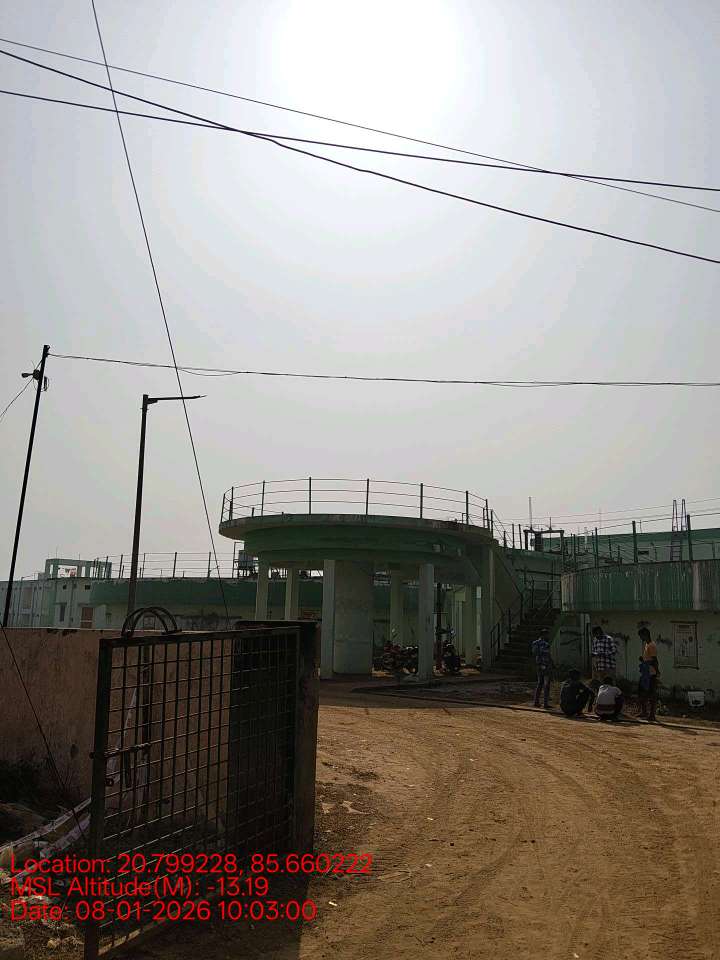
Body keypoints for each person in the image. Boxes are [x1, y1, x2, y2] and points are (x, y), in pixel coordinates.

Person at [638, 627, 660, 722]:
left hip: (650, 673)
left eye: (641, 636)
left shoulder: (651, 645)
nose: (641, 638)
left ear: (645, 635)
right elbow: (649, 658)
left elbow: (654, 660)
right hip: (646, 672)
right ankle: (644, 712)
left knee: (651, 694)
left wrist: (657, 671)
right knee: (642, 692)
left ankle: (651, 714)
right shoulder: (647, 645)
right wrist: (643, 660)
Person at [590, 625, 618, 692]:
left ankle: (613, 696)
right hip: (599, 666)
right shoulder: (595, 640)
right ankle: (603, 696)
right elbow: (594, 651)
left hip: (609, 666)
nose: (596, 635)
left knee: (611, 683)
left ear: (600, 632)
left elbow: (614, 651)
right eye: (595, 634)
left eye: (597, 633)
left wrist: (603, 653)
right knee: (601, 685)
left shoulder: (609, 639)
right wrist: (594, 654)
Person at [531, 627, 553, 708]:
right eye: (547, 635)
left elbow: (534, 653)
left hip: (539, 665)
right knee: (546, 685)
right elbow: (548, 655)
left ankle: (536, 701)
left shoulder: (535, 643)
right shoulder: (545, 644)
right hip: (545, 665)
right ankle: (545, 703)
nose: (548, 636)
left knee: (540, 683)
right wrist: (551, 664)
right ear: (544, 635)